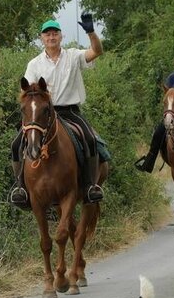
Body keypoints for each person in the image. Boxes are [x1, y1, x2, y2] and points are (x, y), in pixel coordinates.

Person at [8, 13, 105, 209]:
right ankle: (21, 189)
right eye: (47, 35)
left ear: (61, 36)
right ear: (41, 39)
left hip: (70, 111)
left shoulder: (73, 55)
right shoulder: (34, 64)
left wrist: (91, 32)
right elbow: (25, 91)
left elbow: (97, 51)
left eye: (54, 34)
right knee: (16, 144)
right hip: (43, 114)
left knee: (90, 139)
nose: (51, 37)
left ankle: (90, 187)